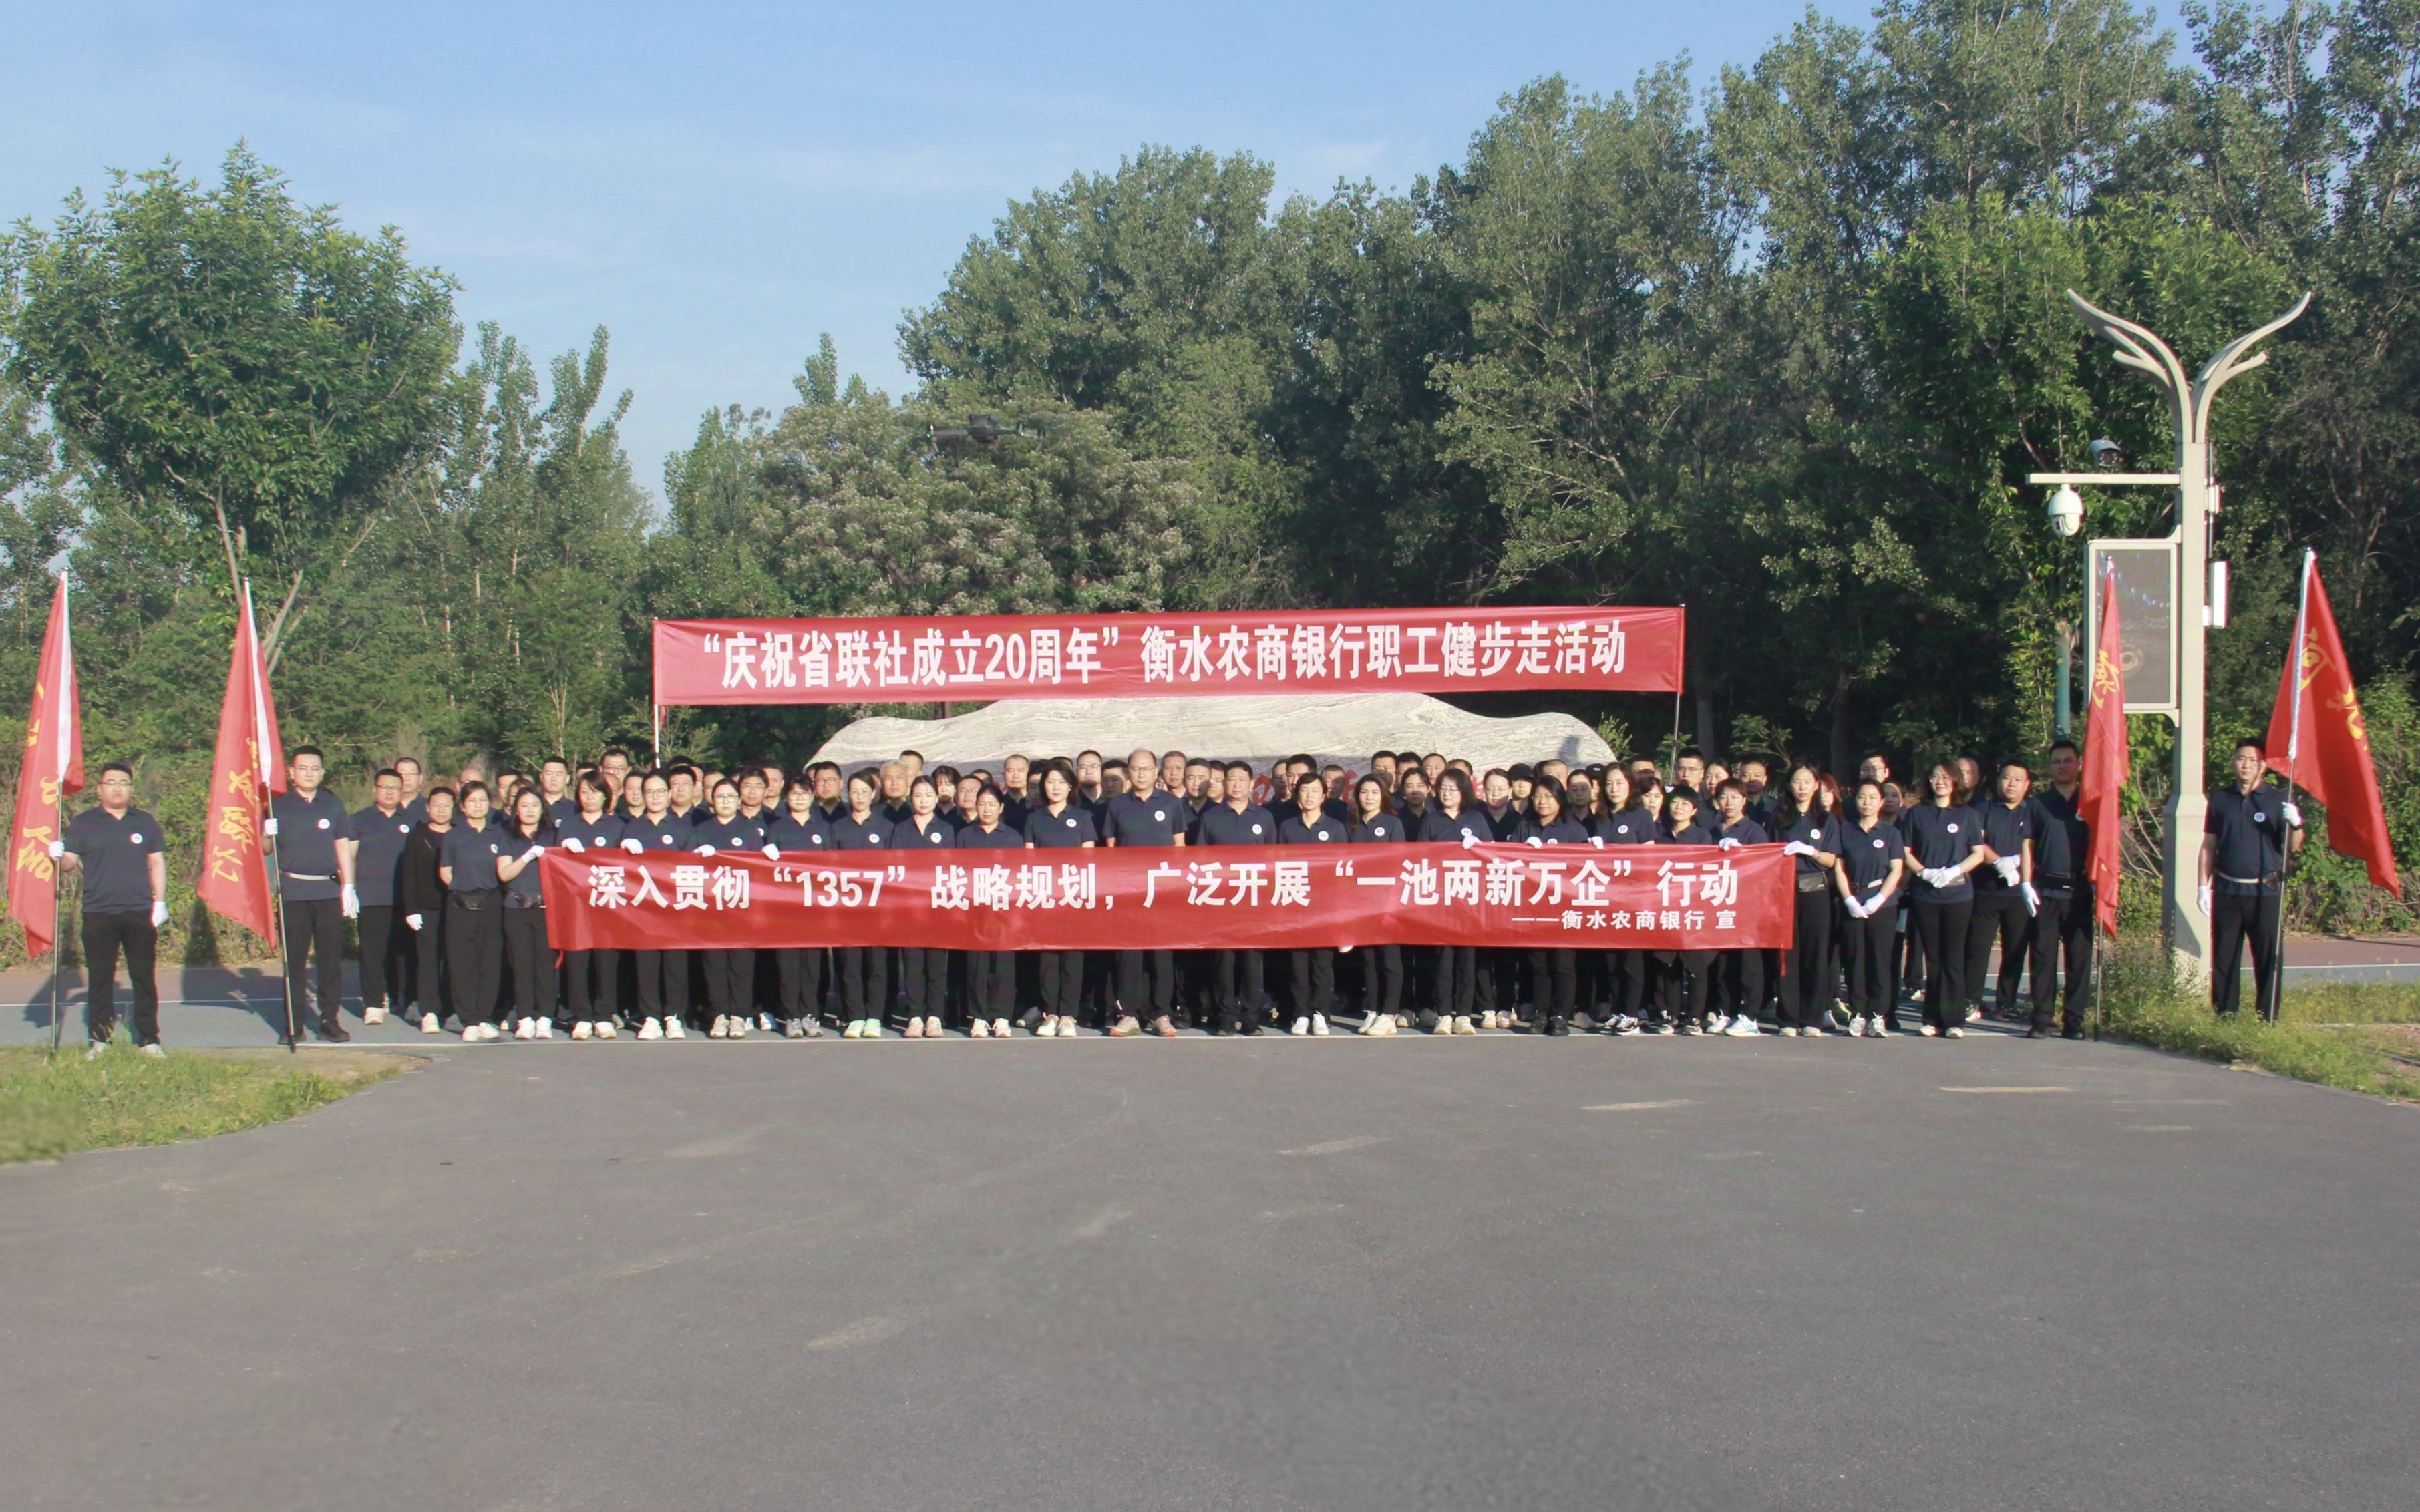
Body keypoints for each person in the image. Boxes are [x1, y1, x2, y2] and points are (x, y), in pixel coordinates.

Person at [55, 761, 168, 1057]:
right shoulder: (84, 823)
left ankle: (149, 1039)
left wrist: (160, 901)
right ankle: (100, 1039)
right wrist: (58, 856)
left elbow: (157, 862)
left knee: (144, 976)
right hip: (99, 911)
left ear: (131, 788)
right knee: (100, 978)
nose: (117, 788)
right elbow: (69, 863)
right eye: (111, 783)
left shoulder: (144, 821)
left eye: (123, 783)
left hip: (139, 910)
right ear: (99, 789)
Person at [2200, 738, 2304, 1020]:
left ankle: (2267, 1017)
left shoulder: (2277, 799)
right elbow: (2209, 845)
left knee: (2268, 957)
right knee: (2224, 957)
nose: (2246, 765)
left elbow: (2293, 846)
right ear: (2233, 762)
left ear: (2264, 766)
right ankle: (2225, 1015)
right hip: (2228, 889)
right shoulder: (2221, 799)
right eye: (2241, 758)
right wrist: (2202, 886)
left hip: (2265, 891)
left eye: (2253, 760)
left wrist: (2296, 824)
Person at [267, 745, 357, 1043]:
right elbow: (265, 849)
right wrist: (266, 832)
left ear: (322, 772)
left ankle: (329, 1019)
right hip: (293, 892)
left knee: (329, 960)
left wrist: (349, 885)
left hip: (326, 890)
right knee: (294, 962)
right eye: (303, 768)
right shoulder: (278, 806)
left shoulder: (332, 805)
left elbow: (342, 846)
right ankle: (294, 1023)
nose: (309, 773)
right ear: (292, 772)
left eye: (314, 768)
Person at [1102, 749, 1184, 1038]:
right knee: (1129, 954)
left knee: (1161, 954)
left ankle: (1161, 1013)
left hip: (1162, 891)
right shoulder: (1117, 805)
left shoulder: (1172, 804)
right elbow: (1111, 849)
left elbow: (1179, 847)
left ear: (1156, 772)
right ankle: (1129, 1014)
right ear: (1128, 772)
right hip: (1129, 892)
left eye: (1146, 769)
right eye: (1136, 769)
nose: (1141, 774)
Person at [1901, 762, 1986, 1037]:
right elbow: (1905, 851)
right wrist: (1923, 872)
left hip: (1958, 894)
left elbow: (1978, 853)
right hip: (1926, 894)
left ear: (1956, 781)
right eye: (1935, 776)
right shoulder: (1917, 813)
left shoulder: (1968, 814)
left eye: (1946, 777)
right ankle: (1931, 1018)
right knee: (1934, 957)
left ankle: (1954, 1020)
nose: (1940, 781)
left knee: (1954, 957)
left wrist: (1955, 870)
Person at [1196, 760, 1275, 1034]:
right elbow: (1200, 860)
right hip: (1221, 902)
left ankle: (1251, 1018)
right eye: (1231, 779)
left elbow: (1273, 861)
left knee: (1252, 963)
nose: (1237, 785)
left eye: (1242, 780)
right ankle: (1226, 1017)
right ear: (1223, 783)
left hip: (1253, 901)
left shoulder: (1264, 817)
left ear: (1252, 784)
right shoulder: (1211, 818)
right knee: (1224, 962)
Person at [689, 778, 768, 1038]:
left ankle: (739, 1015)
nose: (725, 802)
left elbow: (760, 872)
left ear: (739, 800)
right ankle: (719, 1014)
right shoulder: (701, 830)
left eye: (730, 797)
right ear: (712, 801)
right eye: (720, 797)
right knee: (714, 965)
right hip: (710, 911)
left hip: (741, 910)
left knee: (741, 965)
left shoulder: (750, 831)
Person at [1022, 759, 1095, 1036]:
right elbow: (1029, 860)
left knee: (1072, 958)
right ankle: (1050, 1013)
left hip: (1074, 897)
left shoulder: (1083, 817)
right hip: (1045, 897)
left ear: (1071, 786)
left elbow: (1089, 860)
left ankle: (1068, 1015)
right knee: (1048, 959)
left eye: (1062, 782)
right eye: (1051, 782)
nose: (1056, 787)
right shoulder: (1034, 819)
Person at [1419, 769, 1492, 1034]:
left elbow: (1492, 856)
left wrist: (1479, 846)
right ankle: (1444, 1015)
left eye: (1453, 789)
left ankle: (1463, 1015)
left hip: (1468, 901)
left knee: (1467, 961)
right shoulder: (1431, 820)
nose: (1447, 794)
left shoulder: (1476, 819)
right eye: (1443, 789)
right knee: (1443, 962)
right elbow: (1421, 858)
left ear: (1464, 792)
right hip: (1441, 901)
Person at [1515, 776, 1590, 1034]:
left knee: (1563, 963)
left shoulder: (1574, 829)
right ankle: (1541, 1013)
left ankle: (1560, 1015)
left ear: (1560, 799)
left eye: (1548, 796)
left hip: (1564, 907)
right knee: (1538, 963)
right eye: (1538, 796)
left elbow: (1584, 868)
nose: (1542, 802)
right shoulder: (1524, 827)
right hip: (1534, 907)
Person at [1968, 760, 2041, 1026]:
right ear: (1998, 781)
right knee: (1977, 948)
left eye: (2017, 780)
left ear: (2027, 785)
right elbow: (1977, 841)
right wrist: (1999, 862)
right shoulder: (1984, 809)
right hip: (1985, 889)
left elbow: (2037, 844)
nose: (2011, 784)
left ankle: (2006, 1004)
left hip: (2019, 894)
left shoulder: (2033, 811)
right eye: (2006, 778)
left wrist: (2020, 862)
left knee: (2015, 950)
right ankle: (1971, 1000)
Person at [1770, 764, 1840, 1037]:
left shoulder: (1826, 819)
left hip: (1816, 891)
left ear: (1816, 786)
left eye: (1807, 782)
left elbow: (1832, 859)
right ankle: (1788, 1018)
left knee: (1815, 953)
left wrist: (1810, 851)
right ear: (1789, 785)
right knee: (1788, 954)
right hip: (1785, 891)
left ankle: (1812, 1017)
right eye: (1797, 782)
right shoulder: (1779, 818)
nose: (1802, 787)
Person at [1835, 778, 1908, 1036]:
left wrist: (1879, 899)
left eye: (1872, 797)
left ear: (1881, 802)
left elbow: (1896, 870)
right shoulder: (1845, 831)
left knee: (1880, 959)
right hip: (1853, 900)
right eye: (1862, 797)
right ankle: (1858, 1012)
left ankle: (1878, 1014)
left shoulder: (1890, 833)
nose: (1866, 802)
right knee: (1854, 959)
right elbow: (1839, 868)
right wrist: (1848, 899)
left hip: (1882, 904)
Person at [553, 773, 624, 1038]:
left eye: (596, 792)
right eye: (584, 792)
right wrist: (563, 848)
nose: (590, 797)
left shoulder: (618, 826)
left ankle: (604, 1015)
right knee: (577, 960)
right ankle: (581, 1015)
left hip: (608, 905)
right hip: (577, 906)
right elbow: (557, 866)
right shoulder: (569, 826)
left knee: (606, 962)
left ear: (606, 796)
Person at [623, 773, 693, 1041]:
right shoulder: (632, 829)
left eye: (660, 791)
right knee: (647, 964)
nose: (655, 797)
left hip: (676, 908)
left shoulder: (682, 827)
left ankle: (674, 1016)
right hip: (644, 910)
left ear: (669, 794)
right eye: (649, 792)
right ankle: (651, 1016)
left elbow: (694, 867)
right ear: (643, 795)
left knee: (675, 964)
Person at [1276, 771, 1345, 1036]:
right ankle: (1300, 1014)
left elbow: (1343, 869)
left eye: (1315, 790)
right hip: (1296, 903)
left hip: (1325, 908)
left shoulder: (1335, 828)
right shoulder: (1288, 827)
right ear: (1297, 796)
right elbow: (1277, 865)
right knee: (1298, 965)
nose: (1309, 795)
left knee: (1322, 964)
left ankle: (1321, 1014)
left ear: (1324, 796)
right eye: (1304, 790)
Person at [436, 781, 507, 1041]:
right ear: (463, 807)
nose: (478, 805)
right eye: (472, 801)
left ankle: (484, 1016)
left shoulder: (499, 833)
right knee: (461, 962)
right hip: (461, 904)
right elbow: (445, 871)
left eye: (483, 800)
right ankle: (468, 1020)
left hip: (491, 902)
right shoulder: (453, 835)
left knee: (489, 961)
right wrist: (460, 887)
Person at [2031, 739, 2091, 1037]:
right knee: (2043, 958)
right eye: (2056, 761)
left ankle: (2074, 1020)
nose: (2062, 766)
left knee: (2079, 959)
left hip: (2081, 891)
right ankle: (2042, 1018)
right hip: (2047, 890)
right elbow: (2028, 844)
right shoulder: (2038, 804)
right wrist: (2027, 883)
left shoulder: (2091, 802)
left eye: (2068, 760)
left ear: (2078, 764)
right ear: (2049, 767)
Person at [349, 767, 417, 1027]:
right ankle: (373, 1004)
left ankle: (407, 1000)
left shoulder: (414, 820)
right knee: (372, 954)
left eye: (395, 788)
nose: (389, 792)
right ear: (374, 790)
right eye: (384, 787)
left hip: (405, 899)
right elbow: (349, 857)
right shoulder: (360, 820)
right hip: (372, 898)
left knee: (405, 954)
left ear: (402, 791)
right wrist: (349, 889)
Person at [765, 777, 833, 1037]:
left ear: (813, 796)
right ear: (787, 797)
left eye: (805, 793)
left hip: (815, 909)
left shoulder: (823, 828)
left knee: (812, 966)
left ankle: (809, 1014)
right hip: (786, 910)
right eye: (795, 794)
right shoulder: (777, 828)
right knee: (788, 966)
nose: (800, 798)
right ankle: (791, 1016)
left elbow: (834, 866)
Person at [492, 787, 559, 1040]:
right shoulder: (508, 836)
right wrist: (528, 856)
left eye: (535, 805)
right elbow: (504, 873)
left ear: (542, 809)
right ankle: (525, 1017)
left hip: (546, 909)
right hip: (516, 908)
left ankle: (545, 1017)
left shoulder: (553, 835)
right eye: (524, 806)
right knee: (521, 965)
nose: (530, 811)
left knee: (545, 966)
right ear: (516, 810)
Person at [955, 786, 1023, 1038]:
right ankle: (979, 1017)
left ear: (1001, 808)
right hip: (975, 911)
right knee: (977, 966)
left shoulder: (1012, 837)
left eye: (992, 804)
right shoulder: (965, 835)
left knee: (1004, 966)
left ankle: (1002, 1016)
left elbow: (1019, 874)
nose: (986, 809)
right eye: (982, 804)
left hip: (1004, 911)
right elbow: (957, 871)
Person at [831, 770, 894, 1038]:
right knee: (851, 966)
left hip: (878, 909)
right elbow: (828, 868)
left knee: (877, 966)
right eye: (854, 792)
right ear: (848, 794)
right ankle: (855, 1016)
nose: (859, 797)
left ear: (874, 794)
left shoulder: (886, 828)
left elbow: (896, 869)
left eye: (864, 792)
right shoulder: (837, 828)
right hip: (848, 909)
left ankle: (874, 1017)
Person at [894, 775, 957, 1038]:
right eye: (918, 795)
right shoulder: (901, 830)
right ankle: (915, 1016)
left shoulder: (946, 830)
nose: (923, 801)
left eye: (929, 795)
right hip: (910, 908)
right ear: (911, 799)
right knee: (913, 965)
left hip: (937, 907)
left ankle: (935, 1016)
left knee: (936, 966)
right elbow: (895, 867)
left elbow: (950, 868)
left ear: (937, 798)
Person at [1592, 767, 1653, 1034]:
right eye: (1609, 783)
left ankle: (1632, 1013)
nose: (1614, 788)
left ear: (1630, 785)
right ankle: (1617, 1010)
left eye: (1620, 783)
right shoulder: (1600, 817)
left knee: (1632, 960)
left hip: (1633, 898)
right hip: (1606, 898)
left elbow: (1650, 858)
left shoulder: (1641, 815)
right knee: (1611, 960)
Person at [1707, 781, 1768, 1036]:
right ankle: (1726, 1011)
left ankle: (1750, 1015)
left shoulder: (1754, 831)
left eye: (1734, 797)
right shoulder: (1712, 830)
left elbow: (1762, 866)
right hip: (1718, 903)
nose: (1729, 802)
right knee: (1723, 961)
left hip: (1747, 905)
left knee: (1748, 961)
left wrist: (1741, 853)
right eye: (1724, 797)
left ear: (1744, 800)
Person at [1347, 774, 1404, 1036]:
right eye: (1364, 792)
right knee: (1369, 960)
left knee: (1389, 958)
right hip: (1360, 902)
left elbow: (1401, 861)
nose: (1368, 797)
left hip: (1388, 901)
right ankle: (1373, 1010)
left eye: (1374, 793)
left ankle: (1390, 1014)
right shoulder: (1350, 826)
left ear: (1383, 796)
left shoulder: (1392, 824)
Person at [1661, 789, 1718, 1033]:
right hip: (1666, 906)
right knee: (1669, 964)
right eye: (1675, 802)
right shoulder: (1660, 837)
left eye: (1685, 804)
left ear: (1694, 810)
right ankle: (1671, 1015)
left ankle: (1694, 1017)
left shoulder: (1702, 836)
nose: (1679, 808)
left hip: (1694, 907)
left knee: (1696, 964)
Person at [399, 787, 455, 1032]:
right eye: (437, 806)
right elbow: (408, 874)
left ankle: (451, 1009)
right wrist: (412, 909)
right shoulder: (417, 836)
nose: (441, 810)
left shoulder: (460, 833)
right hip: (426, 908)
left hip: (455, 907)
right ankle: (429, 1011)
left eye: (446, 806)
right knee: (428, 960)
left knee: (454, 960)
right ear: (428, 808)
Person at [395, 755, 429, 821]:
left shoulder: (430, 807)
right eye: (402, 774)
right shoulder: (385, 807)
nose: (407, 779)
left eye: (412, 774)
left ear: (421, 778)